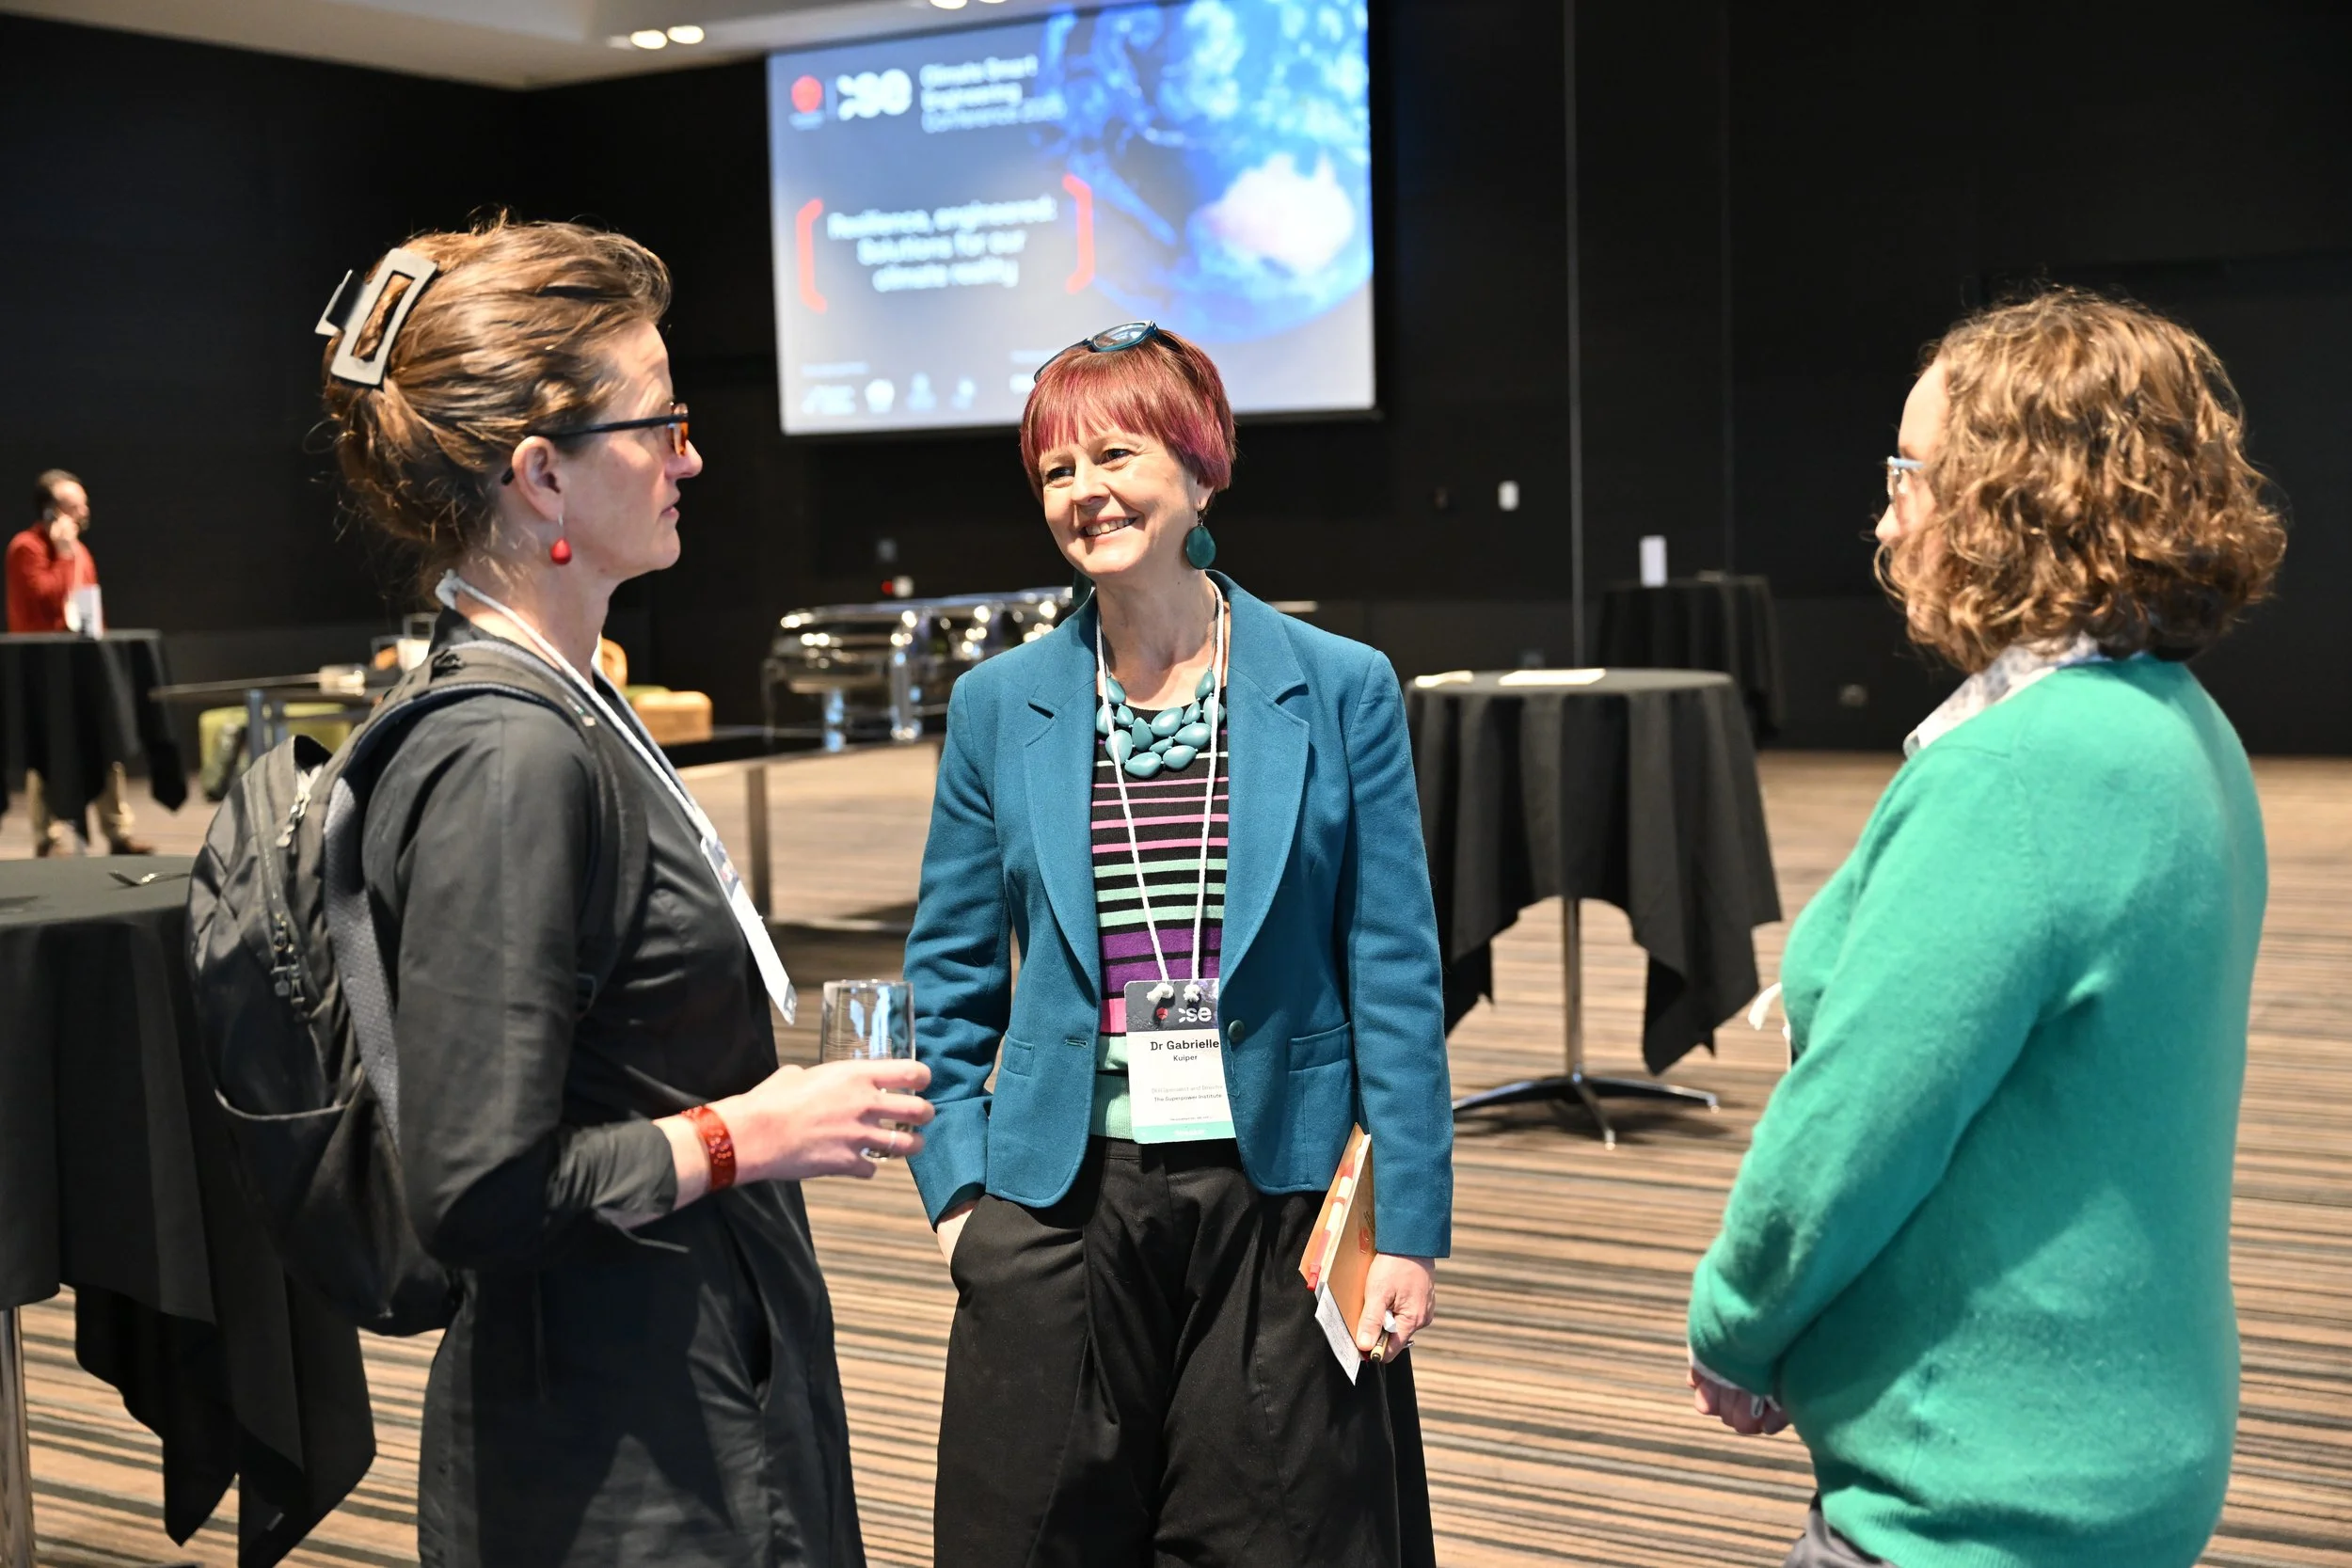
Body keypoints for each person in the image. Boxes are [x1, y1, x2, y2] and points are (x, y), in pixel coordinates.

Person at [318, 217, 933, 1568]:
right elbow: (477, 1191)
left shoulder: (557, 704)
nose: (692, 457)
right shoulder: (509, 754)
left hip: (673, 1382)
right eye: (661, 425)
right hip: (619, 1453)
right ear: (541, 474)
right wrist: (748, 1132)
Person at [1685, 290, 2286, 1568]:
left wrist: (1734, 1321)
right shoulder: (2184, 729)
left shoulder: (2024, 772)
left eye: (1909, 471)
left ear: (2019, 502)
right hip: (2119, 1436)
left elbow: (1859, 1119)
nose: (1886, 510)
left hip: (1975, 1478)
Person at [903, 321, 1453, 1566]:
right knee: (1042, 1532)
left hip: (1280, 1186)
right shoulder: (1000, 705)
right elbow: (947, 967)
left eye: (1116, 453)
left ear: (1199, 469)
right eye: (1055, 467)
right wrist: (958, 1196)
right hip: (1058, 1195)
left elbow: (1395, 968)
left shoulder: (1339, 682)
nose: (1084, 490)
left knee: (1276, 1532)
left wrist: (1406, 1220)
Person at [5, 468, 151, 854]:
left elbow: (87, 607)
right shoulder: (27, 548)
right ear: (52, 512)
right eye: (75, 506)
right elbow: (46, 598)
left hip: (83, 662)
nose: (84, 512)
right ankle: (48, 836)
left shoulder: (81, 552)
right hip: (44, 667)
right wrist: (64, 555)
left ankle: (117, 830)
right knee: (47, 747)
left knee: (104, 737)